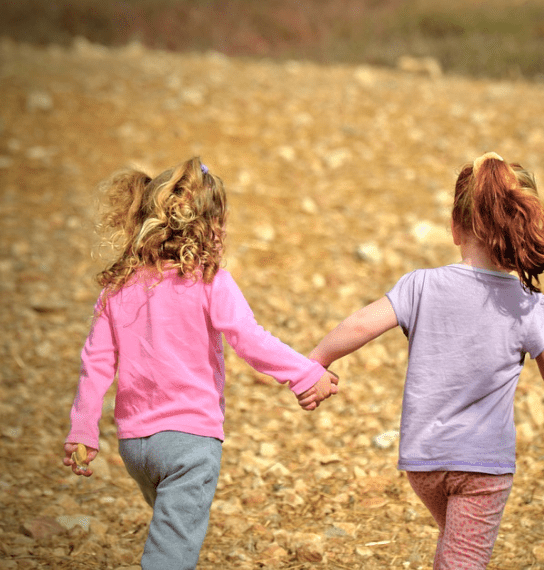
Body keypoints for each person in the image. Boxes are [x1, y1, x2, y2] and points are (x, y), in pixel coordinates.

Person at [308, 152, 544, 569]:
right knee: (462, 561)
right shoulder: (528, 305)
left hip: (424, 461)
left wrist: (315, 360)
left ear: (455, 228)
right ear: (523, 228)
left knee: (456, 550)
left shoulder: (420, 285)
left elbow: (361, 324)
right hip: (483, 467)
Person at [62, 157, 338, 570]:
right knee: (170, 553)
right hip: (190, 442)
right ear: (211, 228)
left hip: (135, 445)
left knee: (172, 531)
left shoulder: (118, 287)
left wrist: (83, 430)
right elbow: (250, 339)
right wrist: (305, 374)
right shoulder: (210, 280)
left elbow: (96, 362)